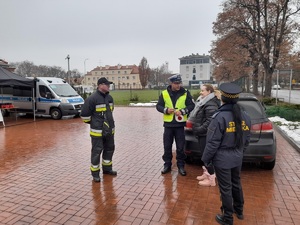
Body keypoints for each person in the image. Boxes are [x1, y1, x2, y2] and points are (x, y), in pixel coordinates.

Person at [201, 82, 251, 225]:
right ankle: (239, 211)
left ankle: (227, 217)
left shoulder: (219, 117)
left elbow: (212, 142)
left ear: (223, 98)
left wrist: (206, 159)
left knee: (226, 188)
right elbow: (247, 138)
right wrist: (240, 152)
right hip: (237, 156)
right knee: (236, 183)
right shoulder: (245, 115)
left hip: (222, 159)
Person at [156, 74, 195, 176]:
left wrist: (182, 111)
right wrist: (166, 110)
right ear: (171, 83)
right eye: (176, 83)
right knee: (167, 146)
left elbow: (191, 105)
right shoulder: (164, 93)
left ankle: (181, 166)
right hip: (168, 125)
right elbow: (158, 106)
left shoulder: (185, 93)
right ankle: (167, 165)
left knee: (180, 147)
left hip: (179, 125)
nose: (178, 85)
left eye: (179, 83)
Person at [80, 77, 117, 182]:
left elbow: (111, 111)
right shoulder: (92, 99)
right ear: (100, 85)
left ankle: (107, 169)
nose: (109, 86)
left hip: (109, 130)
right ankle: (95, 174)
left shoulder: (110, 98)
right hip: (97, 132)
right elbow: (85, 116)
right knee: (97, 152)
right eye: (107, 84)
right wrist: (95, 124)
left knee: (109, 149)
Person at [188, 84, 220, 186]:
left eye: (203, 91)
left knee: (207, 156)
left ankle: (211, 180)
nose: (201, 92)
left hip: (206, 134)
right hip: (203, 134)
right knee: (204, 155)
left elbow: (210, 121)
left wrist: (198, 129)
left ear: (209, 92)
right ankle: (206, 174)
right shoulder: (204, 102)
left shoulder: (210, 104)